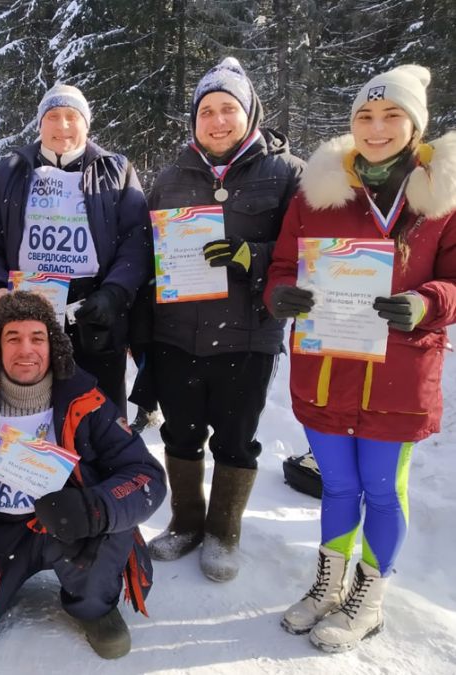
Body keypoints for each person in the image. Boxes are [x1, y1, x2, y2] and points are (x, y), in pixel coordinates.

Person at [265, 65, 456, 651]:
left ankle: (369, 597)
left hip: (396, 376)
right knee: (339, 488)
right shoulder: (321, 192)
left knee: (381, 488)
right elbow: (280, 266)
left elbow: (453, 281)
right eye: (365, 117)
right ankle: (328, 586)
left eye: (391, 116)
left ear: (415, 125)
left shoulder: (440, 199)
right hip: (326, 369)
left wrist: (426, 303)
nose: (376, 128)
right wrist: (282, 294)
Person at [0, 291, 165, 662]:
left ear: (53, 346)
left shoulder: (84, 398)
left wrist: (94, 509)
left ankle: (94, 606)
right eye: (13, 338)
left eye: (37, 338)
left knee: (112, 527)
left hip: (67, 523)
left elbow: (146, 476)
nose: (26, 349)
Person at [137, 58, 304, 581]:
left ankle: (223, 532)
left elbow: (303, 255)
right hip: (176, 336)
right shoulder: (170, 176)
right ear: (194, 121)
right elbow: (149, 256)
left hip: (247, 336)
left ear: (248, 111)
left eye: (227, 108)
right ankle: (186, 523)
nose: (217, 120)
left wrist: (249, 255)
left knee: (235, 440)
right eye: (206, 111)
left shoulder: (287, 174)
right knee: (181, 435)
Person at [0, 84, 151, 416]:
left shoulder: (116, 170)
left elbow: (137, 243)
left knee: (101, 419)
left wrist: (114, 294)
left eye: (72, 117)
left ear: (87, 123)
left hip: (95, 313)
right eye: (53, 116)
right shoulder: (10, 170)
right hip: (28, 311)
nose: (63, 126)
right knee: (32, 418)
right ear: (40, 123)